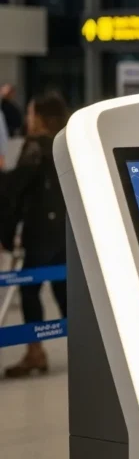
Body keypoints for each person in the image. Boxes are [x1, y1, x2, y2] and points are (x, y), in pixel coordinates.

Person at [1, 91, 70, 378]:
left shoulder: (36, 146)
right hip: (67, 231)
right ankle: (89, 349)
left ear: (40, 117)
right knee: (64, 289)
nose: (28, 119)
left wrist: (6, 233)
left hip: (41, 232)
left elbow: (15, 191)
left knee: (29, 288)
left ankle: (34, 351)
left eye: (30, 114)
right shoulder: (67, 144)